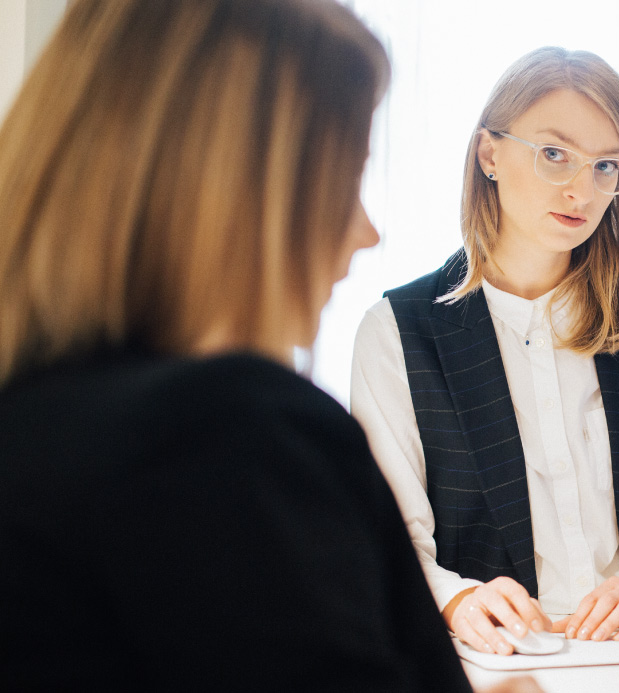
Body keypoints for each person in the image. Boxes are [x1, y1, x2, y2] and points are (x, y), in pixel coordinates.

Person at [0, 2, 540, 690]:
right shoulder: (234, 440)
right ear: (242, 192)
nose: (366, 230)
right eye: (348, 177)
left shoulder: (28, 425)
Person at [351, 46, 619, 656]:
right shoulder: (398, 331)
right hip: (495, 661)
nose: (582, 189)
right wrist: (458, 599)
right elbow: (391, 544)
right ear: (489, 153)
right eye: (555, 154)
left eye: (606, 165)